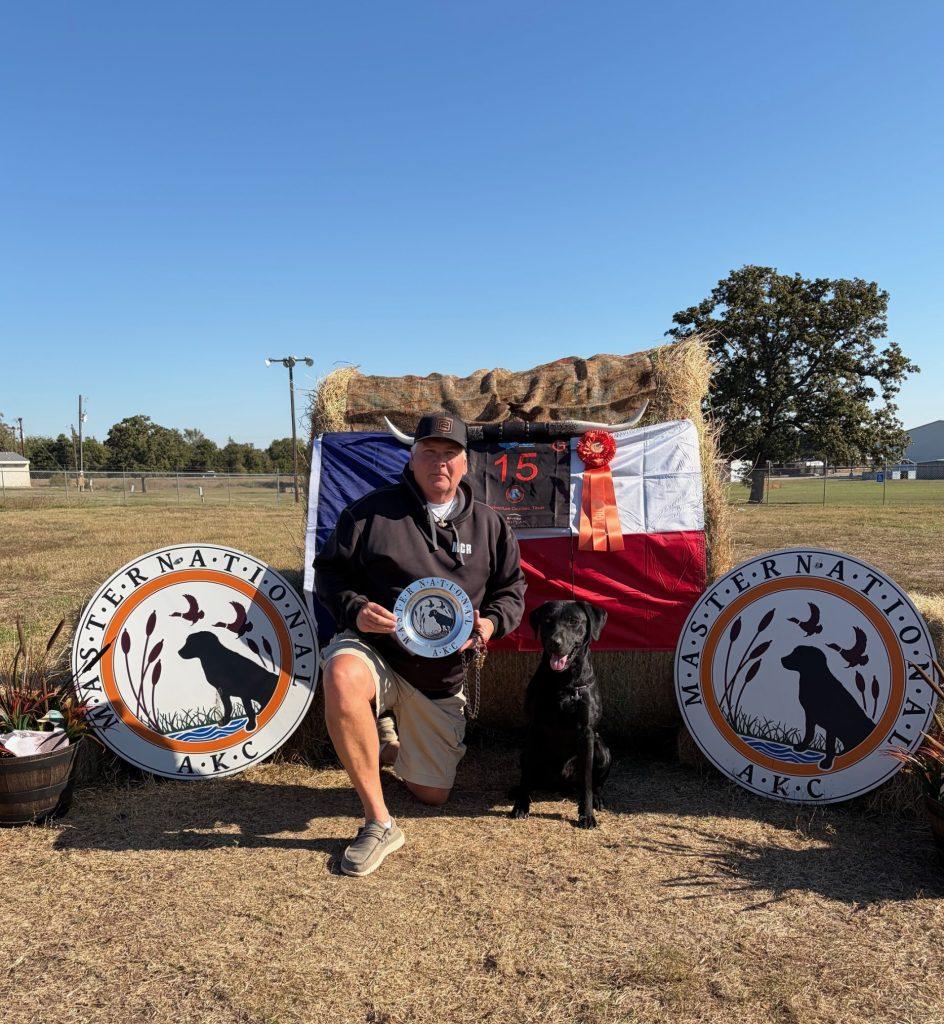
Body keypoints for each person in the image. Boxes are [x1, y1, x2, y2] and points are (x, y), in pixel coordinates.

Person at [314, 411, 526, 877]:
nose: (439, 463)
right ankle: (378, 821)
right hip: (381, 655)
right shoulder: (370, 513)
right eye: (429, 452)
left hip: (440, 676)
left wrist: (491, 624)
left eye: (450, 455)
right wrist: (354, 611)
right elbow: (328, 574)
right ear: (412, 459)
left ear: (466, 464)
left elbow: (513, 591)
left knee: (432, 794)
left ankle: (386, 740)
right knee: (342, 674)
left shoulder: (490, 526)